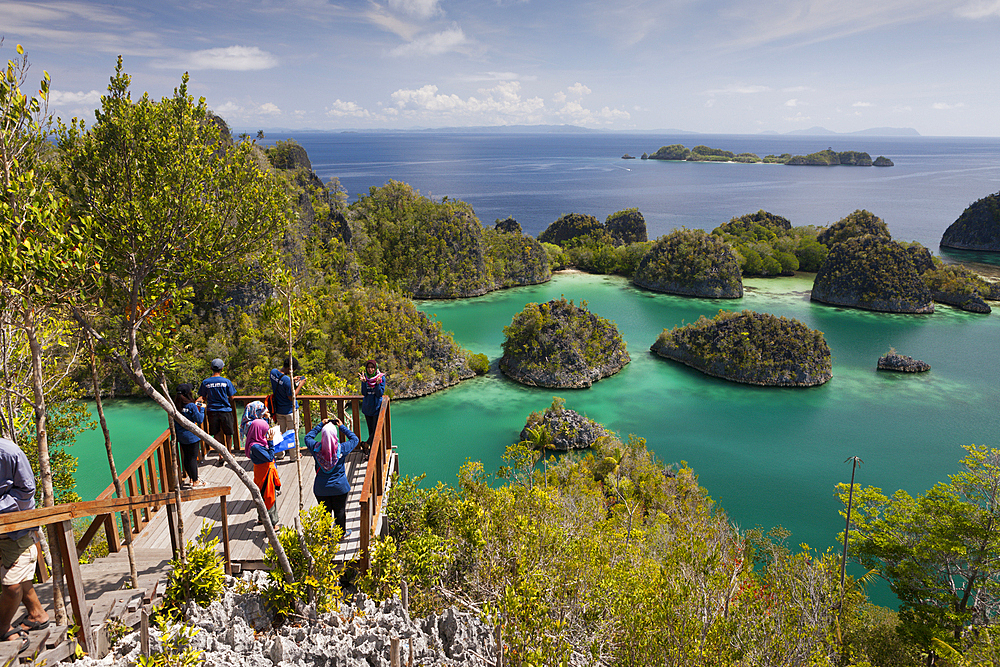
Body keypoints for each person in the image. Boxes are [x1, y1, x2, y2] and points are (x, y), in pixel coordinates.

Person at [0, 438, 49, 653]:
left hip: (16, 528)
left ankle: (1, 628)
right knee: (18, 576)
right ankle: (37, 614)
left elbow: (27, 489)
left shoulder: (9, 452)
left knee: (12, 586)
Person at [304, 417, 359, 539]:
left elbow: (307, 438)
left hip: (321, 488)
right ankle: (341, 534)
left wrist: (320, 424)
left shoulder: (315, 448)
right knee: (339, 511)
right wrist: (342, 427)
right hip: (340, 487)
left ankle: (326, 535)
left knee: (325, 513)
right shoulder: (342, 449)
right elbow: (355, 439)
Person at [199, 358, 236, 466]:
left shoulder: (206, 382)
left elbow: (203, 396)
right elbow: (232, 397)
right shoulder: (226, 381)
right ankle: (228, 453)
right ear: (222, 369)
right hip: (225, 410)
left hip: (212, 410)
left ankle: (220, 454)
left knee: (216, 433)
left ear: (211, 368)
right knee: (229, 433)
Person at [245, 419, 281, 527]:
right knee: (269, 496)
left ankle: (261, 518)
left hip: (260, 472)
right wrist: (270, 442)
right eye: (264, 432)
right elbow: (270, 457)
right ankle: (273, 524)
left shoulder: (255, 442)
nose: (265, 434)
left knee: (261, 494)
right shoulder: (256, 447)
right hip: (265, 474)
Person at [269, 357, 305, 460]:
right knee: (292, 433)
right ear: (291, 368)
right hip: (290, 411)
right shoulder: (287, 381)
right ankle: (294, 456)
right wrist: (300, 384)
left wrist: (291, 380)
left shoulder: (273, 373)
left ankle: (279, 454)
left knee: (279, 433)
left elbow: (280, 381)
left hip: (279, 410)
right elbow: (291, 396)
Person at [174, 384, 206, 488]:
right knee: (193, 458)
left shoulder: (176, 405)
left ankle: (192, 477)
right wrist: (201, 408)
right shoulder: (191, 406)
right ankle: (196, 481)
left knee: (187, 458)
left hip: (181, 435)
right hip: (191, 436)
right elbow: (199, 419)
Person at [358, 360, 386, 449]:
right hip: (367, 408)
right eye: (368, 367)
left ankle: (366, 444)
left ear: (375, 368)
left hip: (377, 408)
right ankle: (369, 450)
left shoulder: (381, 378)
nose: (370, 369)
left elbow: (379, 394)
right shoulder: (365, 378)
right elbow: (364, 393)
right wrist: (364, 382)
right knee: (371, 432)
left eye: (372, 367)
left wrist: (377, 384)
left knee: (376, 431)